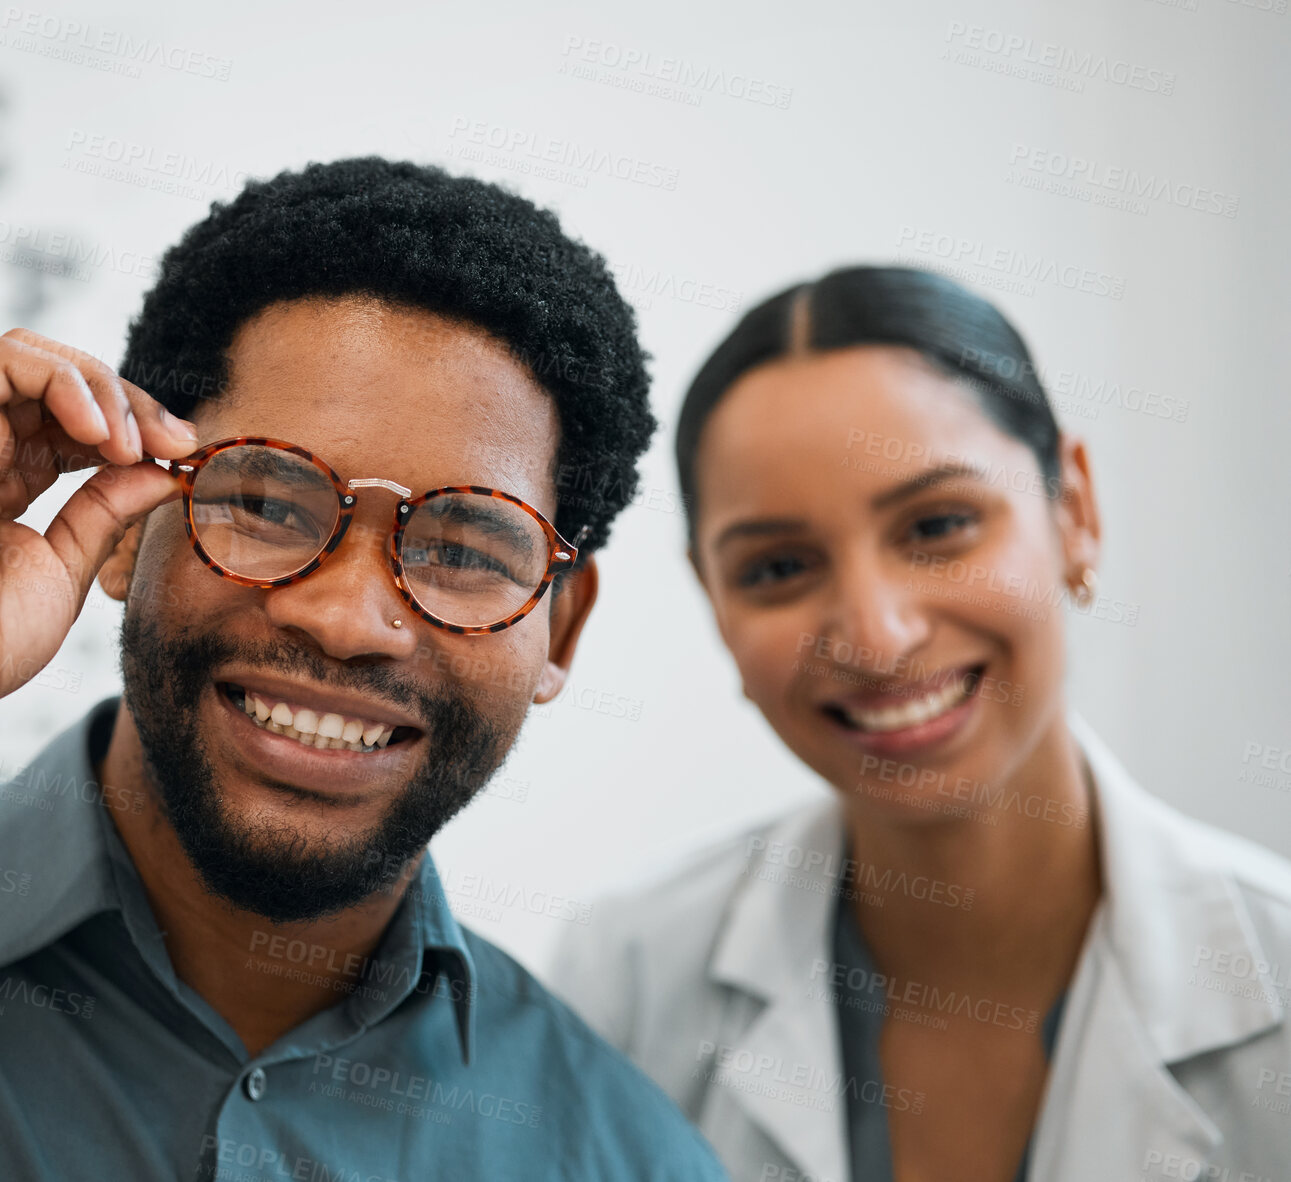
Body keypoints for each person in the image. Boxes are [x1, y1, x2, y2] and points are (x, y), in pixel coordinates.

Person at [0, 158, 727, 1181]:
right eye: (269, 502)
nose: (347, 620)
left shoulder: (619, 1156)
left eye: (465, 548)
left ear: (559, 630)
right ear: (129, 526)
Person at [550, 265, 1291, 1182]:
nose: (875, 637)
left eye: (937, 524)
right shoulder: (620, 984)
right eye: (778, 569)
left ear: (1075, 513)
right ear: (714, 604)